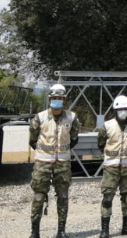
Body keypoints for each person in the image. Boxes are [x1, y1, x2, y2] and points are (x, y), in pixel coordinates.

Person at [28, 83, 80, 238]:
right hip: (42, 164)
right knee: (38, 197)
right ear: (49, 98)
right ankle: (35, 232)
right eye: (54, 97)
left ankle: (61, 231)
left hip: (63, 164)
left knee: (63, 197)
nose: (57, 100)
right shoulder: (40, 117)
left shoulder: (72, 118)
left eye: (60, 98)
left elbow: (74, 140)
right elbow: (32, 139)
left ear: (64, 100)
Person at [97, 95, 127, 237]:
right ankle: (105, 230)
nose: (123, 111)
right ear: (115, 110)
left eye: (125, 109)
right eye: (120, 109)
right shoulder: (107, 126)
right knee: (107, 198)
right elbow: (101, 144)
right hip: (111, 168)